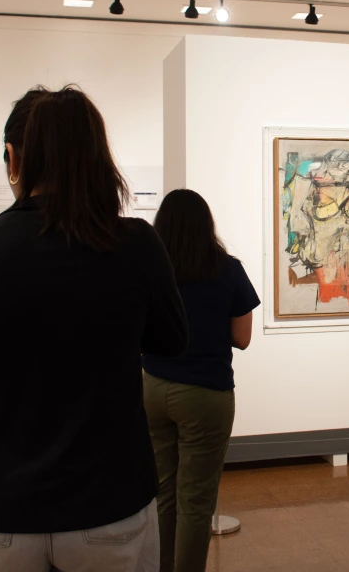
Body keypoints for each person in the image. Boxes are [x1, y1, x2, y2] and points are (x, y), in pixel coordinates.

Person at [0, 86, 187, 572]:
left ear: (14, 158)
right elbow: (171, 340)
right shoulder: (137, 245)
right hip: (109, 498)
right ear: (98, 159)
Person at [142, 189, 259, 572]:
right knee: (196, 500)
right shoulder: (227, 269)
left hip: (153, 388)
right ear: (206, 224)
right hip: (205, 393)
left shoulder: (150, 270)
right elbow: (242, 338)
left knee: (163, 493)